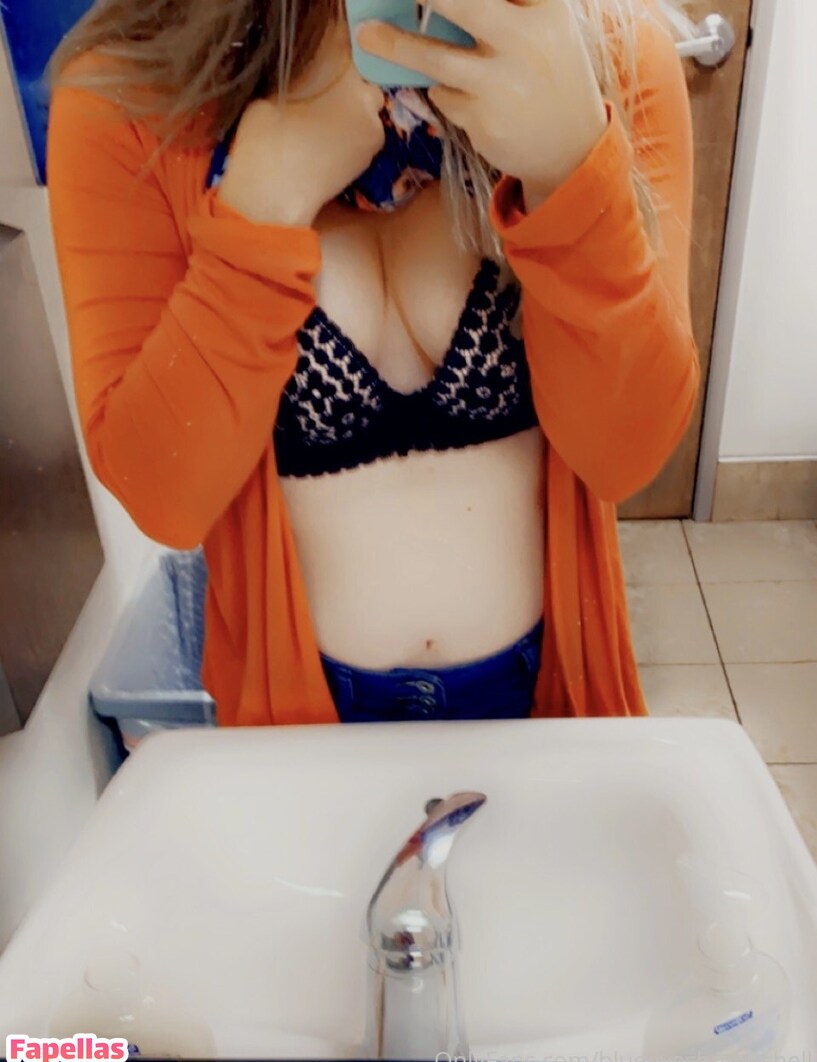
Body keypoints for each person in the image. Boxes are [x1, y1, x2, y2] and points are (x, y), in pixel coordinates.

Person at [47, 0, 699, 726]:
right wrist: (259, 211)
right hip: (297, 724)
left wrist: (569, 168)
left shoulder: (608, 56)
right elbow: (164, 497)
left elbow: (625, 454)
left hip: (546, 708)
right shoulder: (131, 95)